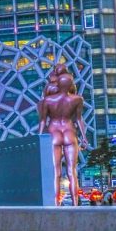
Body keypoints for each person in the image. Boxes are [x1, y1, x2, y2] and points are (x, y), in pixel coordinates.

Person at [37, 65, 88, 206]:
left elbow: (42, 122)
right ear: (71, 84)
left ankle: (56, 203)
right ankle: (75, 203)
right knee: (72, 171)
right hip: (69, 132)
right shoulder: (77, 99)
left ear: (58, 84)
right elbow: (79, 120)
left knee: (56, 172)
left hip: (54, 132)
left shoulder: (48, 101)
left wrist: (39, 138)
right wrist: (84, 137)